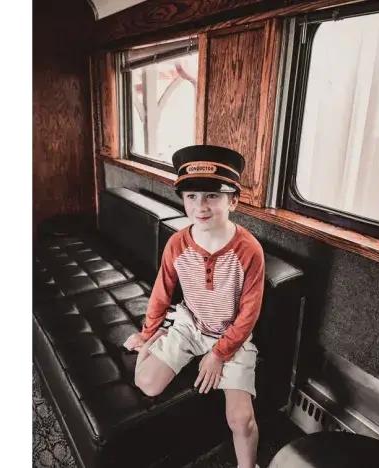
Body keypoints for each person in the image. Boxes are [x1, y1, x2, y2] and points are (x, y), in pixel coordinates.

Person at [123, 144, 265, 468]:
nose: (200, 206)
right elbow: (162, 292)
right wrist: (148, 334)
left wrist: (219, 354)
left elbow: (249, 314)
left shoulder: (249, 251)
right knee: (147, 382)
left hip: (232, 335)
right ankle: (156, 345)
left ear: (234, 200)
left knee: (241, 420)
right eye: (191, 196)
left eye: (212, 196)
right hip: (190, 323)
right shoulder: (177, 244)